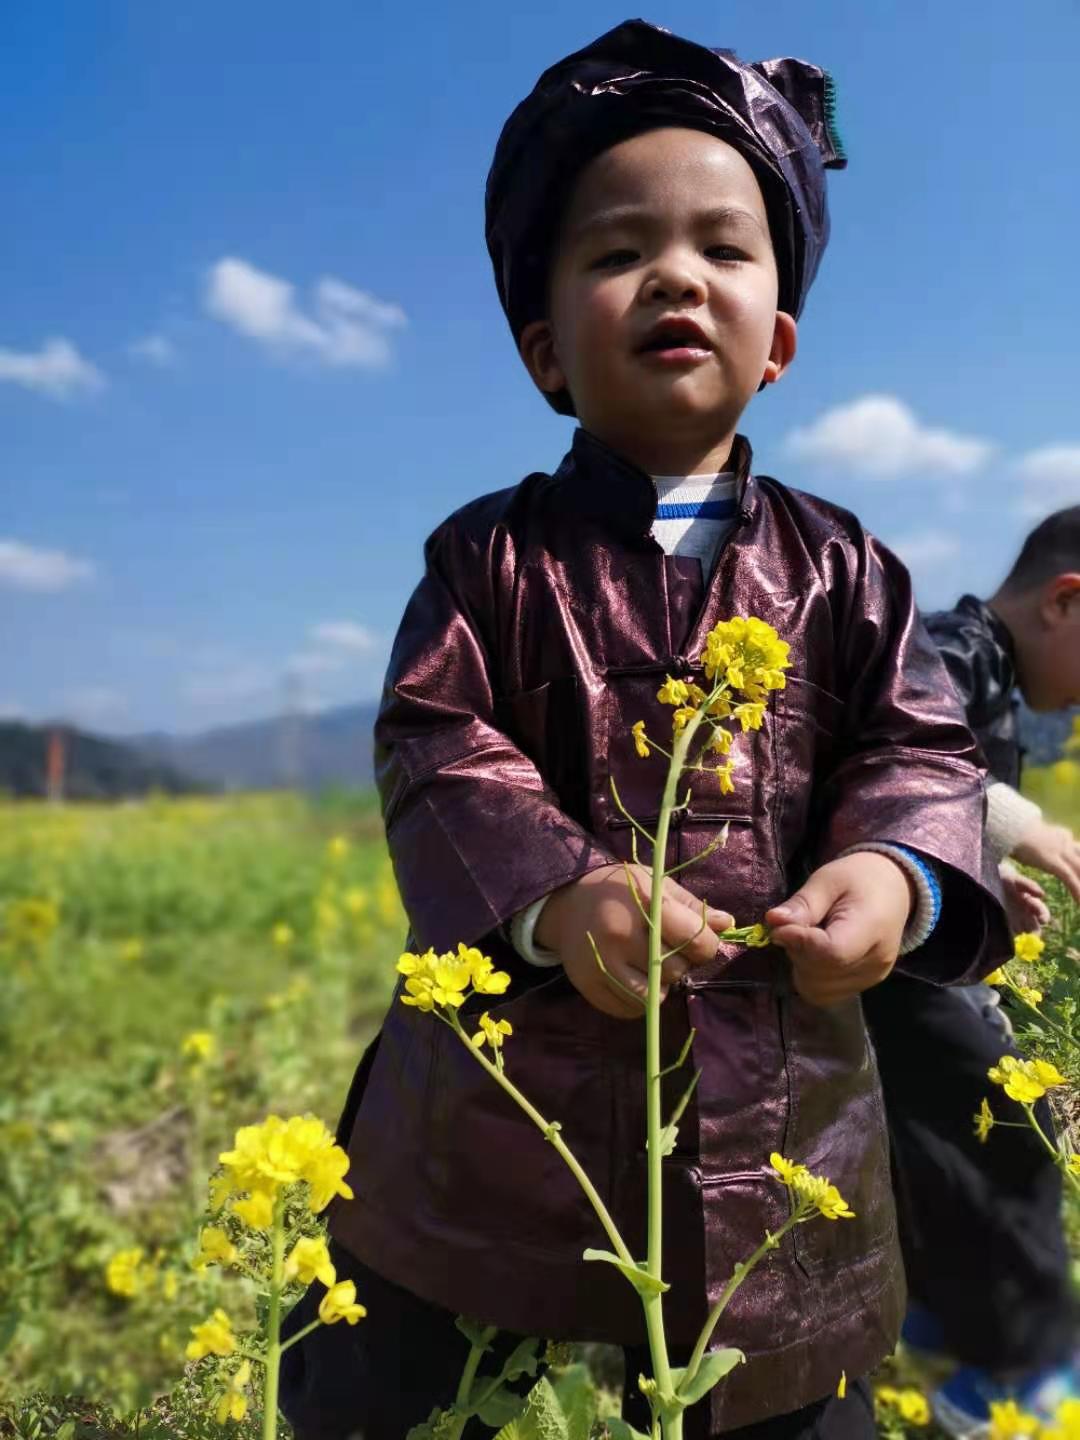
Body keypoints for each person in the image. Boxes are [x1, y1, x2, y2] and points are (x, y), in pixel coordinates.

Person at [280, 21, 1010, 1439]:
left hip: (782, 1101)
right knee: (407, 1373)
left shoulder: (849, 566)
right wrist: (557, 896)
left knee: (788, 1383)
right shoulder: (487, 560)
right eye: (619, 250)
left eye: (725, 250)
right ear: (546, 350)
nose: (676, 273)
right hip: (510, 1107)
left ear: (780, 341)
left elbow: (920, 749)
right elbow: (438, 741)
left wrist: (897, 877)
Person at [863, 508, 1080, 1434]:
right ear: (1066, 604)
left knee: (937, 1151)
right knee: (1011, 1139)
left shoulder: (993, 674)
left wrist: (990, 884)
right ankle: (1014, 1380)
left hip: (925, 956)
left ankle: (942, 1317)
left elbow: (942, 833)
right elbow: (894, 747)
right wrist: (1019, 827)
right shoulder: (953, 650)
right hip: (900, 968)